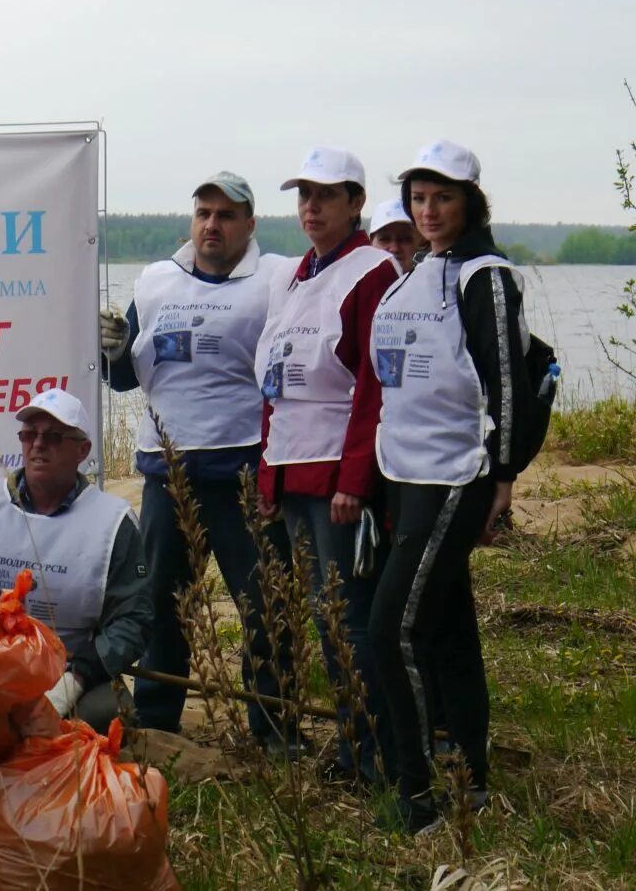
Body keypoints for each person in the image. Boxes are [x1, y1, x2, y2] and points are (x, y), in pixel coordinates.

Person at [98, 172, 299, 751]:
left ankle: (273, 725)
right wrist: (110, 349)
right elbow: (123, 378)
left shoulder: (273, 279)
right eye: (204, 213)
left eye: (227, 215)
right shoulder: (157, 281)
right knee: (164, 602)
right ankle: (160, 719)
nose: (213, 224)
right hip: (169, 471)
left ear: (250, 225)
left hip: (242, 470)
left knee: (265, 602)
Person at [371, 140, 530, 833]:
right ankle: (471, 774)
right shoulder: (415, 271)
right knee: (446, 629)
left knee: (387, 631)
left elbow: (509, 384)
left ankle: (418, 796)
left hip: (458, 475)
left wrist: (504, 477)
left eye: (443, 198)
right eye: (419, 198)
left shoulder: (484, 276)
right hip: (406, 475)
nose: (429, 211)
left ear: (470, 202)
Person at [258, 147, 401, 784]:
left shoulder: (373, 271)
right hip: (291, 471)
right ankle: (352, 744)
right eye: (303, 196)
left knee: (347, 616)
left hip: (334, 479)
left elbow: (376, 387)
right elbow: (274, 382)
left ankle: (374, 753)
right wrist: (268, 475)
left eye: (325, 196)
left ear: (355, 203)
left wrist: (355, 481)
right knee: (320, 616)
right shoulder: (293, 275)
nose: (311, 208)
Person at [0, 390, 152, 729]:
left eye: (53, 437)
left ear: (82, 451)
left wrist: (76, 678)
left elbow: (133, 619)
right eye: (29, 434)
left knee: (112, 715)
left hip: (70, 669)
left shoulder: (113, 523)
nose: (38, 444)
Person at [369, 199, 420, 273]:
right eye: (385, 239)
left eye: (405, 239)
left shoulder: (433, 282)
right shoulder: (354, 282)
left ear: (417, 243)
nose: (395, 248)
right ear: (371, 243)